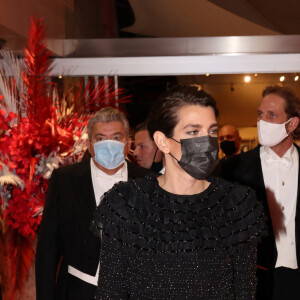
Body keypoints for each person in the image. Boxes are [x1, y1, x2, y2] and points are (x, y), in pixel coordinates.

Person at [90, 86, 266, 299]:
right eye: (193, 131)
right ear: (163, 141)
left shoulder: (237, 203)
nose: (207, 141)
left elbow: (245, 291)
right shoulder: (126, 204)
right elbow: (111, 292)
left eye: (211, 131)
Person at [35, 107, 151, 300]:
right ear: (89, 144)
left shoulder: (149, 183)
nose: (108, 144)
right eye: (100, 139)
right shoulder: (65, 180)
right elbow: (48, 250)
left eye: (116, 138)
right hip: (78, 291)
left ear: (128, 143)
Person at [220, 85, 300, 300]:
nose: (262, 122)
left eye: (272, 115)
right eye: (260, 114)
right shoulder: (231, 169)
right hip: (255, 280)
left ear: (292, 123)